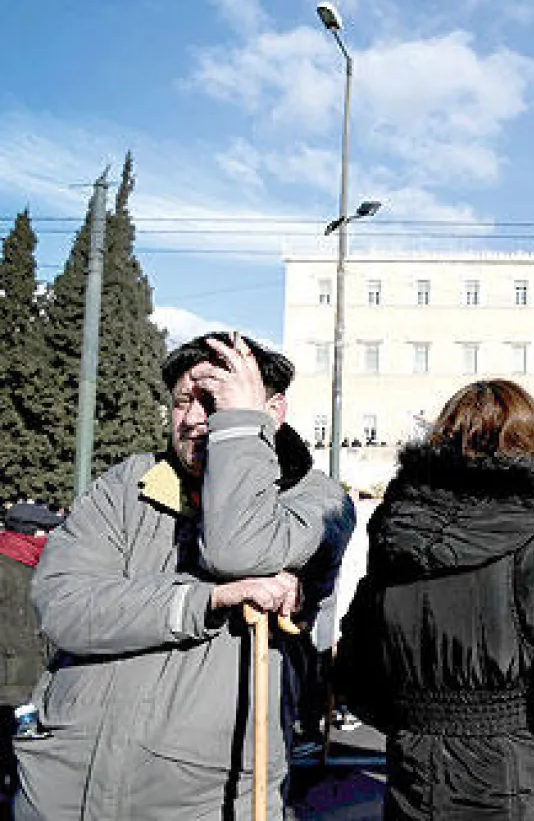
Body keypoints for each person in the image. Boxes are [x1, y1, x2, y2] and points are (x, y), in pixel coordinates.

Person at [14, 332, 354, 819]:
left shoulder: (317, 501)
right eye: (181, 402)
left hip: (204, 799)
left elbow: (240, 551)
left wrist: (240, 428)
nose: (194, 419)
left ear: (270, 411)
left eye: (214, 401)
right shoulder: (125, 484)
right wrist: (207, 600)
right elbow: (64, 609)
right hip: (62, 790)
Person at [335, 379, 534, 820]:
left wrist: (417, 725)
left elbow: (357, 669)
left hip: (418, 780)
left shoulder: (394, 530)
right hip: (524, 779)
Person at [1, 503, 63, 814]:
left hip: (34, 677)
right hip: (8, 682)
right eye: (45, 532)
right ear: (26, 533)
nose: (49, 537)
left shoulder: (40, 568)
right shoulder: (5, 568)